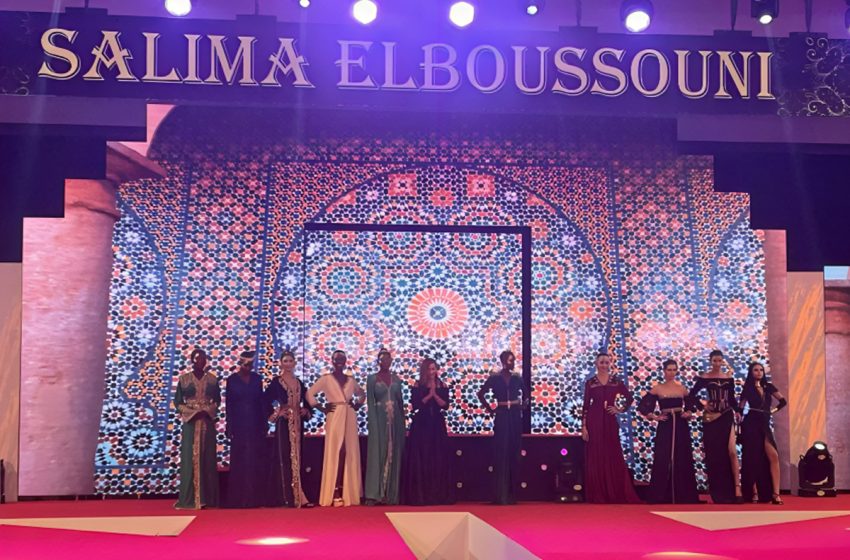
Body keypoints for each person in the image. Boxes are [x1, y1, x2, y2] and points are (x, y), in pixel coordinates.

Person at [306, 350, 366, 507]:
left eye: (342, 359)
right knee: (336, 450)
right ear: (332, 361)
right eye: (337, 359)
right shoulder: (326, 379)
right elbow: (310, 394)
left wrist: (357, 405)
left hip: (349, 414)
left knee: (349, 451)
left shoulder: (351, 380)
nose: (340, 361)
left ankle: (349, 492)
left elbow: (362, 394)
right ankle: (334, 491)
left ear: (346, 361)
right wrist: (321, 407)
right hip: (334, 415)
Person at [581, 352, 641, 503]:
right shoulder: (590, 382)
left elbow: (629, 398)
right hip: (594, 420)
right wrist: (584, 427)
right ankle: (597, 493)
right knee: (596, 454)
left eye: (606, 362)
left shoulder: (616, 381)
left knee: (612, 452)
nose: (604, 365)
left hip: (610, 420)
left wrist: (619, 409)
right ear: (596, 364)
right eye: (601, 362)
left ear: (610, 364)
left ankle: (614, 491)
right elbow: (586, 405)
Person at [637, 359, 700, 504]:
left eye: (674, 370)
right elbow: (643, 405)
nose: (671, 373)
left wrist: (688, 412)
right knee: (663, 455)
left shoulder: (681, 388)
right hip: (665, 424)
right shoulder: (658, 388)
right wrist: (654, 416)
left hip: (680, 425)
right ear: (664, 371)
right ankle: (660, 494)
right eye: (669, 370)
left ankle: (683, 494)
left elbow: (691, 403)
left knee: (682, 455)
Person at [688, 349, 742, 504]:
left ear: (722, 361)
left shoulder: (728, 378)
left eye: (719, 360)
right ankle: (718, 492)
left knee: (731, 451)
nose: (717, 363)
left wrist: (738, 411)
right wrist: (703, 405)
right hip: (711, 418)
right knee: (714, 453)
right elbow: (691, 395)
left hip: (726, 415)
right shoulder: (705, 377)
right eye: (714, 361)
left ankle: (735, 489)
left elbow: (731, 399)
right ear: (710, 361)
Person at [264, 349, 314, 508]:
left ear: (295, 363)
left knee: (298, 457)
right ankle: (286, 497)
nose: (288, 364)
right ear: (280, 363)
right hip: (284, 424)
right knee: (284, 457)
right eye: (285, 361)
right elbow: (265, 400)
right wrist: (277, 413)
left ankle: (300, 495)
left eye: (290, 361)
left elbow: (307, 400)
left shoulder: (299, 382)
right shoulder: (276, 382)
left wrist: (306, 410)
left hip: (298, 424)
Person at [402, 358, 454, 505]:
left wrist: (435, 395)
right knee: (422, 456)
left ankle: (438, 494)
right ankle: (420, 495)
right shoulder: (418, 385)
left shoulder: (442, 385)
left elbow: (445, 406)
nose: (432, 372)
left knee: (438, 456)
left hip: (437, 424)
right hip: (422, 424)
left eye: (434, 369)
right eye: (429, 369)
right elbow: (415, 405)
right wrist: (428, 395)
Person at [476, 350, 525, 505]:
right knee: (501, 449)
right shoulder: (495, 378)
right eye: (510, 360)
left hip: (515, 415)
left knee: (514, 449)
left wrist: (523, 406)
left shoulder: (517, 377)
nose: (513, 363)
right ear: (504, 361)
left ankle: (512, 493)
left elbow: (527, 394)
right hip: (502, 414)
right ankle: (500, 493)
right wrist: (490, 409)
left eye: (514, 360)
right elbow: (481, 394)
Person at [174, 348, 221, 509]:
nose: (200, 361)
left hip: (207, 422)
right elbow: (178, 402)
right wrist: (193, 413)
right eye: (197, 358)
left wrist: (207, 411)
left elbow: (217, 401)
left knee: (208, 457)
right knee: (190, 458)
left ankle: (208, 498)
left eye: (203, 358)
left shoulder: (213, 380)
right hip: (191, 423)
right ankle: (190, 498)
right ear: (192, 360)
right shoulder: (184, 379)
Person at [224, 349, 268, 508]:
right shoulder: (232, 380)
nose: (249, 367)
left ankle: (255, 498)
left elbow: (261, 402)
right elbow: (229, 404)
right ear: (240, 363)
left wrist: (264, 424)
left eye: (251, 364)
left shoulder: (257, 379)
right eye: (246, 364)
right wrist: (229, 425)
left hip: (255, 424)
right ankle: (238, 499)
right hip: (239, 424)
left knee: (255, 460)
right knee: (240, 460)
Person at [739, 361, 787, 504]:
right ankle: (753, 492)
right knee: (752, 458)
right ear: (751, 372)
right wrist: (739, 416)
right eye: (756, 370)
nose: (759, 372)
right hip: (750, 424)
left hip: (764, 424)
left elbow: (783, 402)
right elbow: (741, 407)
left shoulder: (768, 387)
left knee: (773, 455)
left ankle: (776, 493)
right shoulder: (747, 388)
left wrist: (772, 411)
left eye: (761, 370)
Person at [365, 348, 406, 505]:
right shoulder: (372, 379)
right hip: (379, 419)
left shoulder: (396, 379)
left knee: (394, 453)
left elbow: (400, 401)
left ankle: (391, 493)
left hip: (396, 421)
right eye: (383, 360)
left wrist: (403, 423)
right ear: (378, 361)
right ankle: (375, 493)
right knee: (378, 452)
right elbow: (370, 402)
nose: (386, 362)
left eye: (389, 359)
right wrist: (373, 424)